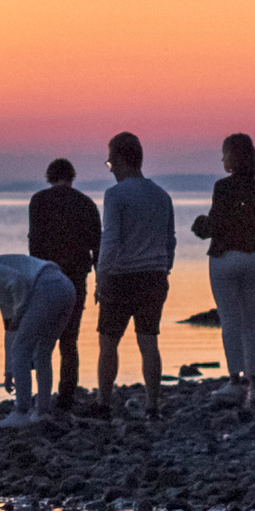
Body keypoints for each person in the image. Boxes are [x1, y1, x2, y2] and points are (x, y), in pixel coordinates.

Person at [94, 132, 176, 420]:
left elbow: (111, 239)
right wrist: (165, 269)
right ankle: (153, 405)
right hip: (153, 276)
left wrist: (100, 276)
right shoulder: (161, 195)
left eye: (110, 162)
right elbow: (170, 240)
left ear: (121, 159)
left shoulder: (115, 195)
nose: (111, 169)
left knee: (108, 342)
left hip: (121, 277)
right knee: (148, 341)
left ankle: (104, 404)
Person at [191, 133, 255, 408]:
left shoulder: (223, 188)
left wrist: (200, 226)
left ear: (232, 157)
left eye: (224, 153)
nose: (221, 158)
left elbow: (215, 225)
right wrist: (253, 242)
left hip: (224, 259)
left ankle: (235, 381)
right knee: (249, 322)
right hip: (250, 260)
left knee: (229, 321)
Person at [28, 158, 102, 410]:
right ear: (72, 176)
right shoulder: (86, 203)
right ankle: (67, 396)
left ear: (49, 176)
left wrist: (31, 279)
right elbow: (97, 248)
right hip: (76, 277)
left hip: (46, 276)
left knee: (42, 339)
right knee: (69, 340)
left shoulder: (38, 201)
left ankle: (42, 395)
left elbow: (34, 244)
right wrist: (100, 281)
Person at [0, 254, 77, 428]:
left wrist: (21, 312)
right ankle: (42, 411)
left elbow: (18, 280)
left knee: (22, 350)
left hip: (46, 287)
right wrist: (8, 371)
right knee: (43, 352)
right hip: (66, 287)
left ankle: (21, 412)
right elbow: (10, 328)